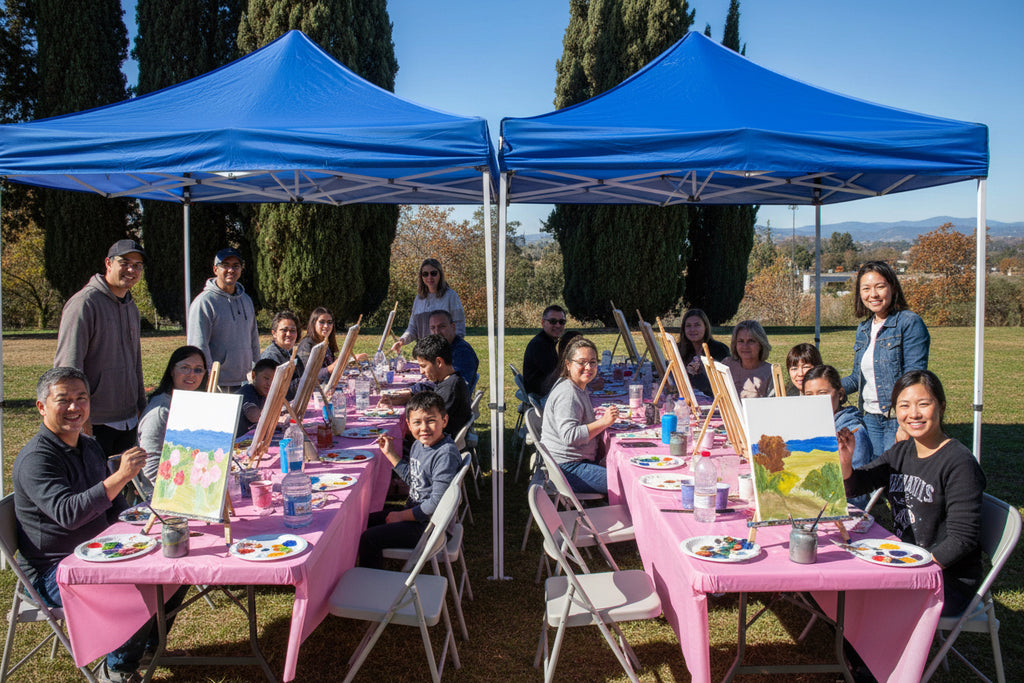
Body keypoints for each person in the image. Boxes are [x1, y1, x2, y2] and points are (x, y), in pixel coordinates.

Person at [13, 367, 188, 683]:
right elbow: (69, 514)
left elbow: (115, 508)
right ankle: (117, 669)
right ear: (41, 407)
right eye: (63, 400)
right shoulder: (36, 459)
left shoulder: (89, 445)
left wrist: (144, 522)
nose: (74, 407)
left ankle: (146, 648)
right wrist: (120, 477)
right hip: (54, 571)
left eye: (81, 398)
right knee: (139, 579)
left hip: (98, 550)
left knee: (176, 556)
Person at [838, 370, 985, 617]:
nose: (913, 414)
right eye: (904, 405)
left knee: (864, 599)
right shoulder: (901, 452)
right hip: (906, 562)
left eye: (923, 404)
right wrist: (845, 463)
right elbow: (857, 485)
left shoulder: (959, 463)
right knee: (846, 583)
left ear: (941, 407)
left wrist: (913, 568)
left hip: (945, 579)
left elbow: (962, 539)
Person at [54, 239, 148, 457]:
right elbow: (68, 365)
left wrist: (140, 405)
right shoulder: (84, 303)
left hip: (128, 420)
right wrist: (79, 417)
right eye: (125, 263)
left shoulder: (131, 307)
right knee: (97, 480)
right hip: (95, 423)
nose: (131, 270)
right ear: (108, 263)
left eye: (137, 265)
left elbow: (136, 362)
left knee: (124, 478)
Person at [358, 391, 461, 569]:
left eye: (431, 420)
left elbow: (436, 504)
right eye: (417, 422)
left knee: (369, 538)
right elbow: (415, 480)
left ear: (444, 421)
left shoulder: (445, 454)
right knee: (363, 521)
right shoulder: (420, 444)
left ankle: (371, 579)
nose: (424, 428)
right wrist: (390, 454)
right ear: (408, 424)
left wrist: (401, 516)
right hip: (417, 515)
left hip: (429, 527)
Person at [842, 261, 930, 457]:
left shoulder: (909, 323)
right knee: (875, 471)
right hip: (870, 417)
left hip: (896, 418)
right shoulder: (863, 329)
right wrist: (825, 389)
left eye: (880, 286)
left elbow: (914, 379)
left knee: (895, 471)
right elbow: (857, 377)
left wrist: (905, 423)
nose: (873, 294)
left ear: (892, 287)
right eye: (866, 288)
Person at [541, 336, 618, 495]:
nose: (588, 367)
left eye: (593, 362)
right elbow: (569, 436)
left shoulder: (577, 386)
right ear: (568, 364)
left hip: (573, 462)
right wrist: (603, 422)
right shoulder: (568, 394)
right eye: (582, 362)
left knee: (623, 469)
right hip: (566, 469)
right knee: (625, 483)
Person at [186, 247, 260, 393]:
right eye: (225, 265)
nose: (231, 270)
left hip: (246, 381)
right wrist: (207, 379)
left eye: (236, 266)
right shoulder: (204, 303)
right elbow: (198, 346)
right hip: (218, 385)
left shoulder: (246, 300)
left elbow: (254, 339)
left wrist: (258, 369)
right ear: (215, 269)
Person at [801, 364, 873, 508]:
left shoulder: (853, 433)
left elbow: (855, 496)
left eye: (822, 393)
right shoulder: (806, 427)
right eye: (809, 395)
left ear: (840, 394)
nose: (815, 401)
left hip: (842, 510)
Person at [138, 346, 207, 496]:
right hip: (164, 494)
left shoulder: (195, 403)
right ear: (172, 371)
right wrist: (182, 492)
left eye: (198, 370)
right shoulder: (160, 412)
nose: (192, 374)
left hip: (194, 488)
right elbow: (150, 468)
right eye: (185, 368)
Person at [380, 335, 471, 438]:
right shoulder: (447, 381)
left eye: (423, 366)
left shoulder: (450, 390)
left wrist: (396, 416)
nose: (421, 371)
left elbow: (426, 422)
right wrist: (404, 395)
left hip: (434, 443)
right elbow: (427, 388)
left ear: (439, 362)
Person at [390, 258, 466, 354]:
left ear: (440, 274)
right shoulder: (418, 299)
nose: (429, 277)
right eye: (425, 274)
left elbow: (459, 328)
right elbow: (413, 328)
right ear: (421, 276)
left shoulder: (451, 296)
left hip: (445, 353)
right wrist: (402, 341)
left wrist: (450, 350)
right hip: (424, 354)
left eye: (433, 273)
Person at [677, 308, 730, 396]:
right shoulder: (680, 350)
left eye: (697, 325)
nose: (692, 329)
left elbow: (727, 382)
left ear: (705, 327)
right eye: (688, 326)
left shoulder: (719, 349)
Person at [428, 309, 479, 393]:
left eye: (442, 326)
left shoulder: (462, 352)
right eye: (433, 328)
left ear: (453, 327)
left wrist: (414, 391)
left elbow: (455, 386)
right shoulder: (443, 347)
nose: (437, 332)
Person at [522, 304, 566, 398]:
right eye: (553, 321)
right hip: (542, 397)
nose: (558, 325)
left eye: (561, 322)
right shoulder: (540, 345)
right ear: (543, 322)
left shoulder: (547, 341)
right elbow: (558, 376)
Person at [723, 320, 775, 398]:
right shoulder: (727, 365)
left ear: (761, 344)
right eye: (741, 341)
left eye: (751, 341)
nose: (745, 346)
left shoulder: (770, 372)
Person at [261, 310, 304, 398]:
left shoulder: (292, 354)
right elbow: (273, 393)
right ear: (274, 333)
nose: (288, 334)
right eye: (284, 330)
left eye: (292, 330)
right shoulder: (270, 358)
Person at [235, 359, 278, 437]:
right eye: (266, 378)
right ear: (253, 376)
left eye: (274, 380)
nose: (269, 383)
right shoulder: (247, 391)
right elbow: (254, 416)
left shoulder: (263, 394)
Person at [297, 307, 340, 381]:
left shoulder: (326, 342)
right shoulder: (306, 345)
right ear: (313, 323)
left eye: (329, 322)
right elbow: (308, 376)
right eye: (322, 322)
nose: (326, 326)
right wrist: (333, 367)